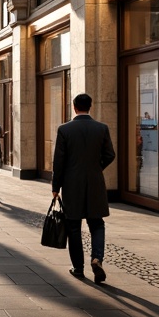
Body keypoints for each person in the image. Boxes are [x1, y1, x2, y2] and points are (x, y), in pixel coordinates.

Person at [52, 92, 116, 283]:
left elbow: (59, 162)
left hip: (72, 184)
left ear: (74, 107)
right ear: (91, 106)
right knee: (97, 223)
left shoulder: (65, 129)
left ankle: (78, 268)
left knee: (73, 226)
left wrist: (56, 186)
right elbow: (110, 154)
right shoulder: (101, 128)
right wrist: (97, 168)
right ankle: (97, 258)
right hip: (96, 183)